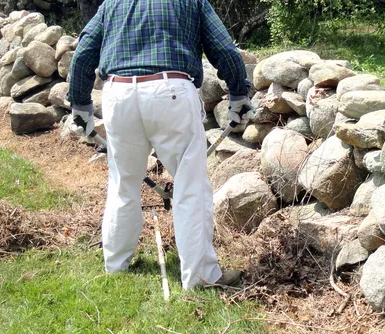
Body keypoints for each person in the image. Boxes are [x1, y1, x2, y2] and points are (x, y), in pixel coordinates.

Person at [67, 0, 252, 289]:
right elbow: (224, 49)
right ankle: (201, 277)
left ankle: (115, 265)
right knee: (190, 186)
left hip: (119, 94)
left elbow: (84, 52)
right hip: (171, 91)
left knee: (123, 183)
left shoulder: (113, 3)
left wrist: (80, 104)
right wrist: (239, 94)